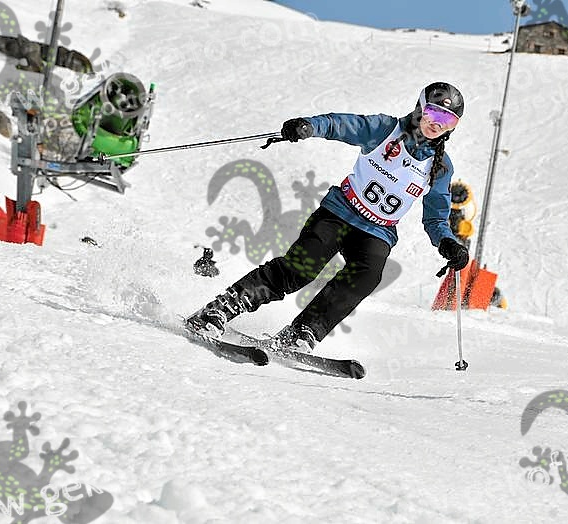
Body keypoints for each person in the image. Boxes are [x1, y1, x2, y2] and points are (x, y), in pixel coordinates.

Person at [186, 82, 470, 352]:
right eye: (433, 113)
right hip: (339, 212)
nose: (437, 124)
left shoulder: (440, 167)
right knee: (300, 269)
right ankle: (222, 308)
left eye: (447, 120)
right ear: (419, 108)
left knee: (367, 276)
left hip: (377, 231)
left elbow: (436, 217)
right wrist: (309, 126)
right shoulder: (385, 130)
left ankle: (303, 332)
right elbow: (341, 125)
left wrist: (447, 242)